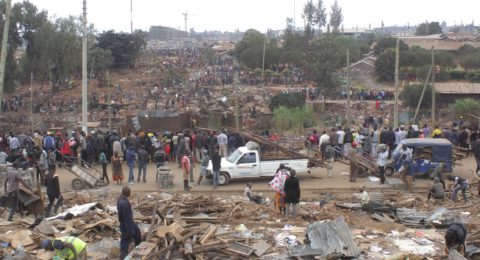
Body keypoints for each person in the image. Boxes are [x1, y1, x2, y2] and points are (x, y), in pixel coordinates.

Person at [117, 186, 141, 259]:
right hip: (126, 225)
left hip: (129, 223)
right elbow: (126, 218)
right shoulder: (124, 204)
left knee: (137, 232)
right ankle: (123, 256)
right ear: (127, 193)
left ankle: (138, 249)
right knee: (126, 240)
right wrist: (129, 231)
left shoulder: (121, 199)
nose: (130, 193)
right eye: (129, 191)